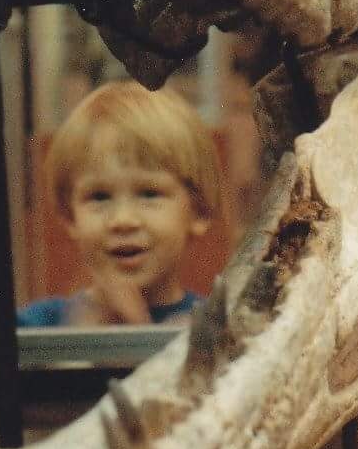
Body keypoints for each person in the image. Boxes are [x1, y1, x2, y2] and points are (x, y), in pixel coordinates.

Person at [19, 81, 224, 327]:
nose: (123, 220)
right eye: (99, 197)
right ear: (69, 216)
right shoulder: (36, 328)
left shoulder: (216, 331)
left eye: (149, 194)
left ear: (199, 209)